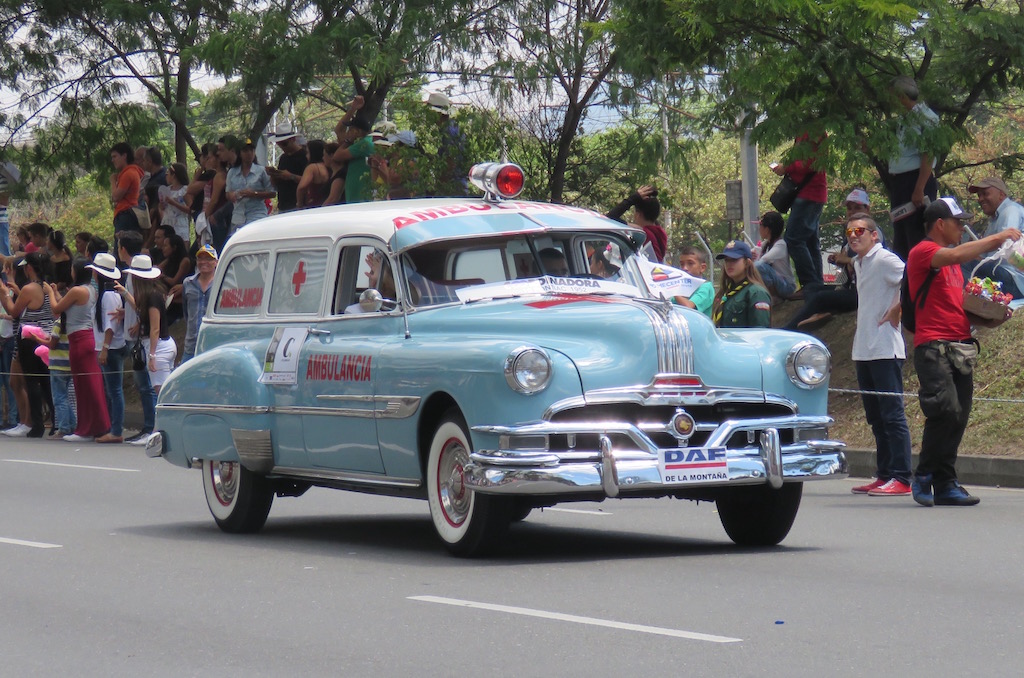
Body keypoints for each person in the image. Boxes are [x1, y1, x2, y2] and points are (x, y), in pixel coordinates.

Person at [907, 197, 1021, 507]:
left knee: (959, 417)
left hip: (961, 346)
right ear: (940, 225)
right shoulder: (925, 252)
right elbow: (956, 252)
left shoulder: (954, 265)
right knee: (946, 410)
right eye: (959, 222)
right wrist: (997, 238)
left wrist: (992, 316)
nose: (963, 227)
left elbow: (961, 308)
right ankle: (925, 475)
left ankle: (946, 483)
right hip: (933, 347)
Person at [845, 215, 913, 496]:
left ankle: (902, 477)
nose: (853, 235)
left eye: (859, 230)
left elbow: (913, 278)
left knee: (892, 415)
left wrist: (898, 308)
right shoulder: (860, 263)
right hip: (864, 349)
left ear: (875, 235)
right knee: (875, 417)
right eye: (849, 231)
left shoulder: (884, 258)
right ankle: (884, 473)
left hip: (885, 348)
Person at [44, 258, 113, 442]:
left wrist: (50, 292)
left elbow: (56, 309)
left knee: (85, 386)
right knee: (87, 385)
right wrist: (57, 293)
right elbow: (68, 308)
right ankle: (91, 426)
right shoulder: (90, 290)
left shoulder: (76, 290)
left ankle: (87, 428)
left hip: (79, 339)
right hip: (85, 338)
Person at [784, 189, 870, 331]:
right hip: (849, 286)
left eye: (857, 207)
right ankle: (820, 312)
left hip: (862, 292)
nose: (852, 212)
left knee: (821, 297)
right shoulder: (851, 232)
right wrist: (839, 260)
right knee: (811, 287)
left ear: (867, 209)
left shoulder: (870, 231)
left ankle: (789, 330)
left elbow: (871, 261)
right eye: (849, 208)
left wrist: (847, 260)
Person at [0, 251, 54, 437]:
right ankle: (54, 422)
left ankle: (35, 425)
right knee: (46, 382)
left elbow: (13, 311)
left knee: (31, 381)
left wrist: (3, 293)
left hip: (29, 339)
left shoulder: (30, 288)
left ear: (29, 268)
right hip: (46, 337)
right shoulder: (46, 286)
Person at [887, 76, 940, 261]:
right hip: (900, 182)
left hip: (916, 181)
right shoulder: (903, 119)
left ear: (902, 96)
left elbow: (928, 153)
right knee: (901, 237)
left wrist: (919, 188)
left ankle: (918, 283)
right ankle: (904, 285)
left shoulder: (926, 117)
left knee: (915, 235)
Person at [117, 255, 176, 407]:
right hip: (162, 346)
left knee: (162, 395)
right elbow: (140, 309)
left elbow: (155, 328)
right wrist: (125, 293)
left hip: (159, 348)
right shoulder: (151, 295)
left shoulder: (152, 297)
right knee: (165, 393)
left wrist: (152, 355)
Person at [772, 133, 827, 290]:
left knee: (794, 239)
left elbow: (809, 163)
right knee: (810, 242)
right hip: (809, 194)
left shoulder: (813, 133)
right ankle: (816, 285)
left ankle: (810, 284)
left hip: (809, 194)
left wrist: (786, 167)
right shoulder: (805, 132)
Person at [116, 232, 156, 444]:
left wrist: (138, 321)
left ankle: (150, 428)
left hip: (139, 336)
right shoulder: (133, 273)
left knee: (145, 384)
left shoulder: (135, 275)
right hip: (134, 332)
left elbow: (143, 304)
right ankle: (149, 427)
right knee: (145, 384)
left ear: (123, 249)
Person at [964, 176, 1024, 298]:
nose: (981, 199)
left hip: (1014, 279)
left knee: (963, 262)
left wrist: (974, 252)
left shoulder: (1010, 211)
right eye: (979, 195)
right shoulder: (994, 220)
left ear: (1001, 195)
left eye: (985, 194)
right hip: (1002, 275)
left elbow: (1007, 248)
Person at [88, 253, 126, 443]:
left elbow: (110, 325)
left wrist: (104, 348)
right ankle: (112, 426)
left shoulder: (109, 295)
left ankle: (116, 429)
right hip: (108, 347)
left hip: (111, 348)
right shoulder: (107, 294)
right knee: (111, 390)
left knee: (115, 390)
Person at [712, 240, 771, 328]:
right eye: (727, 260)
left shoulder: (756, 293)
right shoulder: (725, 292)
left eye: (734, 260)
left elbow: (760, 332)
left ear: (747, 262)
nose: (729, 264)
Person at [225, 138, 274, 237]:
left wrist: (254, 194)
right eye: (245, 151)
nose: (249, 153)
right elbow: (228, 193)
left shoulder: (261, 171)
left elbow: (272, 192)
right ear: (240, 153)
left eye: (251, 150)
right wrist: (234, 195)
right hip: (238, 216)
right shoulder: (232, 172)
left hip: (257, 214)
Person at [605, 185, 668, 262]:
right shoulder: (660, 233)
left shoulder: (641, 233)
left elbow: (609, 218)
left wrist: (632, 199)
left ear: (638, 215)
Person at [178, 244, 218, 362]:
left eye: (208, 259)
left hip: (213, 344)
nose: (203, 262)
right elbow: (186, 312)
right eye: (200, 258)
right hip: (191, 345)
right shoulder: (188, 283)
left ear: (216, 262)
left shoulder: (222, 283)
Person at [333, 98, 376, 204]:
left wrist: (348, 140)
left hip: (360, 195)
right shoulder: (362, 142)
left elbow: (337, 156)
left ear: (356, 131)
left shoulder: (364, 143)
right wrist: (353, 109)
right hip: (355, 194)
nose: (348, 132)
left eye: (350, 130)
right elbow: (338, 130)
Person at [754, 211, 796, 300]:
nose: (759, 229)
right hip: (780, 283)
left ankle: (773, 297)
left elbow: (764, 260)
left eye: (760, 226)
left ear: (767, 229)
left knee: (758, 266)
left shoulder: (780, 245)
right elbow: (754, 251)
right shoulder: (766, 244)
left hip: (787, 286)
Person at [266, 125, 308, 212]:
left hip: (299, 205)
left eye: (284, 144)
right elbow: (275, 185)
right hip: (283, 205)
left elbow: (309, 181)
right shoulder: (283, 158)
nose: (282, 147)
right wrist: (274, 174)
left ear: (293, 140)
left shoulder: (304, 156)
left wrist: (291, 176)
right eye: (279, 144)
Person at [110, 142, 145, 236]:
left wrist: (113, 181)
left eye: (115, 156)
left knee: (122, 246)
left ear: (124, 156)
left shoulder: (128, 173)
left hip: (126, 214)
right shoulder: (130, 172)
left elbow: (116, 196)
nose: (112, 160)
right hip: (127, 213)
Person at [158, 233, 192, 325]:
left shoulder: (185, 261)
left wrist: (162, 276)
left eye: (165, 246)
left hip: (178, 298)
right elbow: (157, 269)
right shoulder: (169, 259)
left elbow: (174, 281)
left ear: (174, 247)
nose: (163, 248)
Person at [674, 247, 715, 318]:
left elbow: (689, 307)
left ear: (702, 268)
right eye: (682, 264)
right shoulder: (682, 288)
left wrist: (671, 290)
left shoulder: (705, 287)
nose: (684, 268)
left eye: (690, 263)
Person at [159, 162, 191, 243]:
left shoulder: (184, 190)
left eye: (168, 174)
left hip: (180, 224)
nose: (166, 176)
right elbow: (162, 208)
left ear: (173, 175)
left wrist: (174, 203)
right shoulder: (167, 190)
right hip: (168, 222)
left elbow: (190, 209)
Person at [296, 139, 330, 208]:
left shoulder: (312, 167)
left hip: (315, 205)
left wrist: (299, 204)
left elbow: (301, 187)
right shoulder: (330, 166)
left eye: (308, 153)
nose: (306, 156)